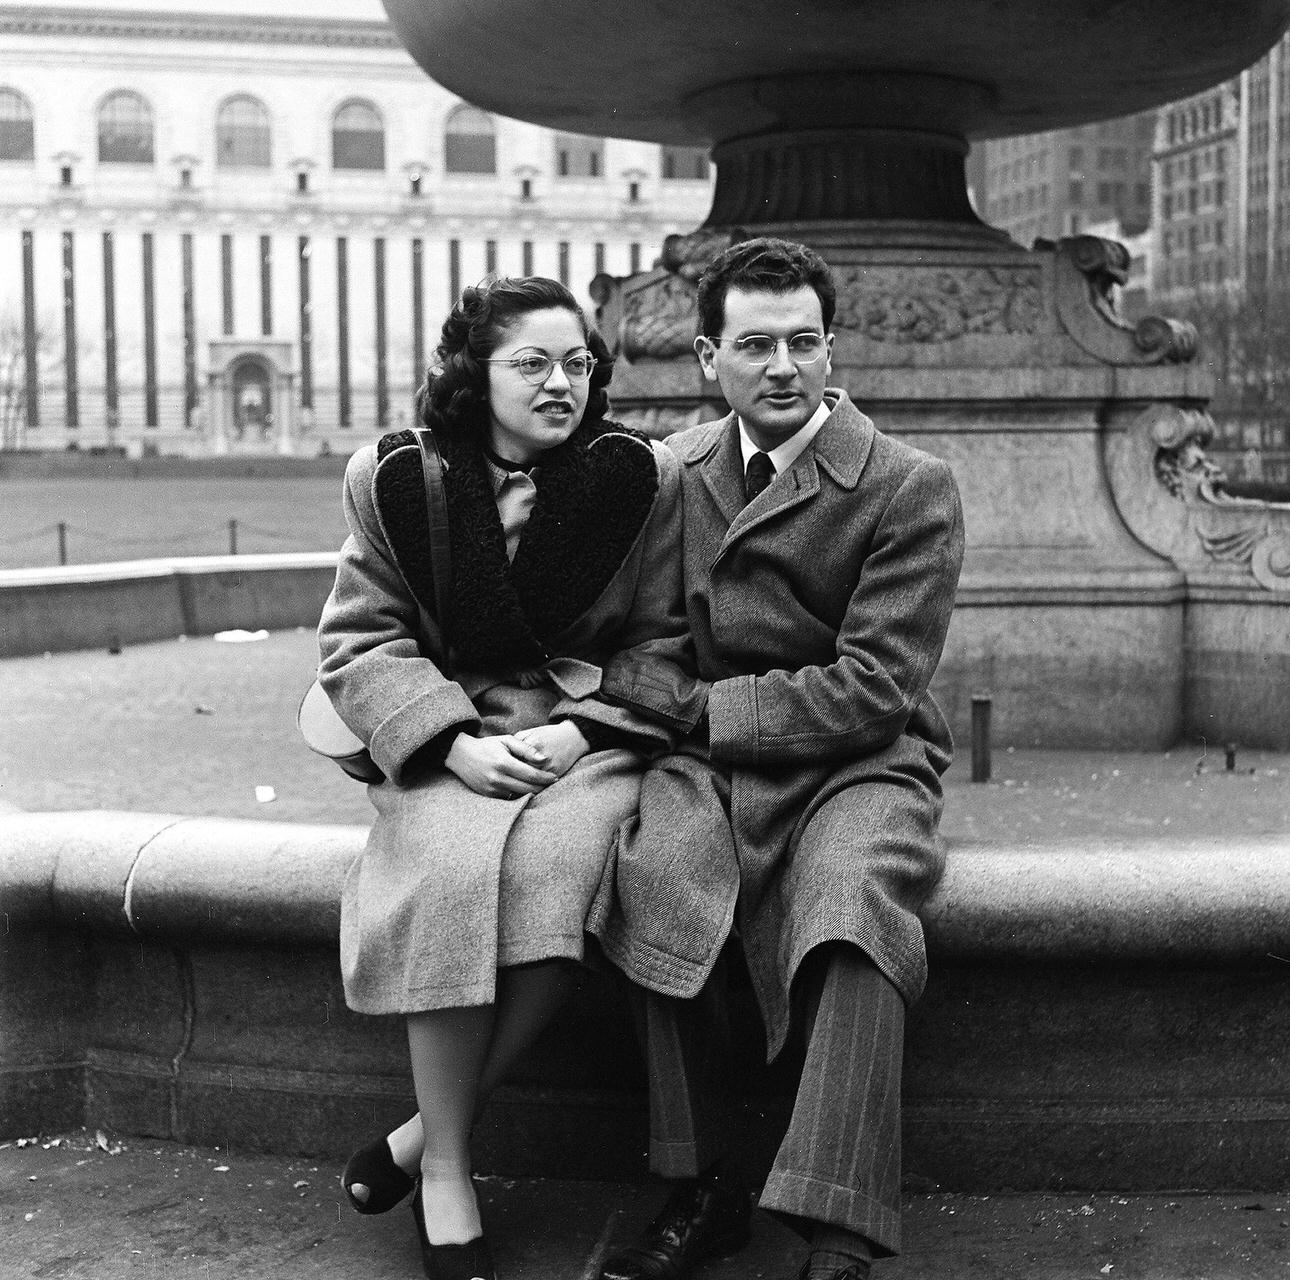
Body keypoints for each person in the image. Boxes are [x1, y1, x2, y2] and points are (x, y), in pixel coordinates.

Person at [590, 238, 965, 1280]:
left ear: (830, 347)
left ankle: (838, 1222)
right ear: (709, 354)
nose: (782, 366)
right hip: (709, 759)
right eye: (754, 344)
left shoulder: (908, 485)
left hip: (864, 758)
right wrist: (679, 698)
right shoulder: (671, 474)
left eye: (803, 340)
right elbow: (641, 641)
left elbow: (876, 685)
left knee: (852, 904)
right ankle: (699, 1181)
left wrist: (704, 706)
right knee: (652, 877)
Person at [317, 276, 704, 1280]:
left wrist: (586, 734)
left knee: (561, 876)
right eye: (531, 362)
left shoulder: (638, 477)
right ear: (473, 371)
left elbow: (665, 641)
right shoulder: (399, 475)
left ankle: (413, 1135)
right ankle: (444, 1167)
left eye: (577, 362)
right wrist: (449, 742)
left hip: (584, 741)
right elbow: (360, 641)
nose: (560, 382)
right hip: (453, 740)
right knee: (446, 873)